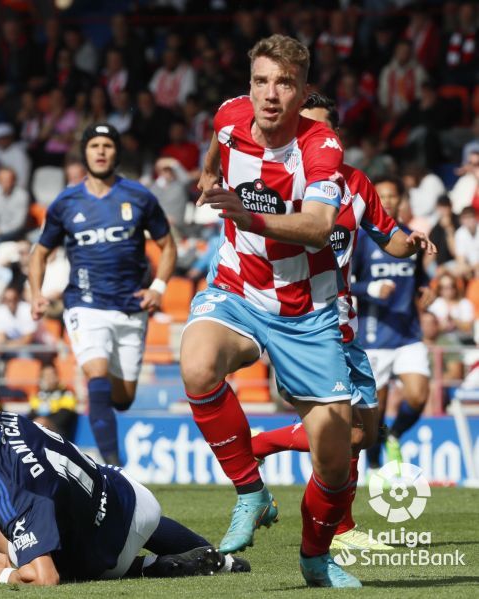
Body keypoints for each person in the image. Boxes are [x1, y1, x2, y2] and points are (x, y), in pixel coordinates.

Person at [184, 35, 359, 587]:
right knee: (196, 363)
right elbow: (214, 151)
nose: (270, 93)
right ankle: (251, 492)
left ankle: (314, 556)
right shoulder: (230, 118)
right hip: (238, 288)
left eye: (284, 83)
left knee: (335, 458)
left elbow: (318, 226)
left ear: (303, 90)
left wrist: (248, 216)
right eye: (261, 80)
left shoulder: (320, 146)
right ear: (249, 84)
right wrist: (209, 177)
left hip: (308, 311)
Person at [246, 94, 435, 553]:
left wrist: (411, 244)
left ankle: (262, 444)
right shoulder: (273, 182)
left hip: (345, 320)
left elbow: (388, 237)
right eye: (304, 128)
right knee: (338, 430)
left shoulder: (355, 184)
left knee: (361, 435)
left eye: (322, 131)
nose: (314, 138)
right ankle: (340, 533)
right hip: (302, 324)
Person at [0, 371, 248, 586]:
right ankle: (218, 559)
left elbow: (46, 579)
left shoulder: (17, 482)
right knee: (9, 532)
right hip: (130, 496)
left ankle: (150, 568)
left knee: (3, 545)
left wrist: (3, 574)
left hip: (109, 549)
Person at [29, 122, 177, 466]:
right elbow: (39, 252)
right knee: (95, 374)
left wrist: (158, 288)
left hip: (131, 306)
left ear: (116, 153)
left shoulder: (139, 197)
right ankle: (113, 468)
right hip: (85, 303)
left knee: (122, 398)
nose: (100, 151)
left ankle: (108, 434)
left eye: (107, 146)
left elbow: (168, 246)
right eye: (93, 145)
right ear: (84, 152)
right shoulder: (66, 202)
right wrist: (36, 294)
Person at [350, 175, 436, 472]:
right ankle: (374, 470)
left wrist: (427, 289)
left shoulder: (411, 236)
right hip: (374, 336)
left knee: (418, 394)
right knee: (375, 413)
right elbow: (346, 283)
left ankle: (395, 436)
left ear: (401, 200)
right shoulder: (362, 239)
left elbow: (419, 279)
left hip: (407, 333)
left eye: (392, 196)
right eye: (381, 196)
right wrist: (370, 289)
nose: (387, 201)